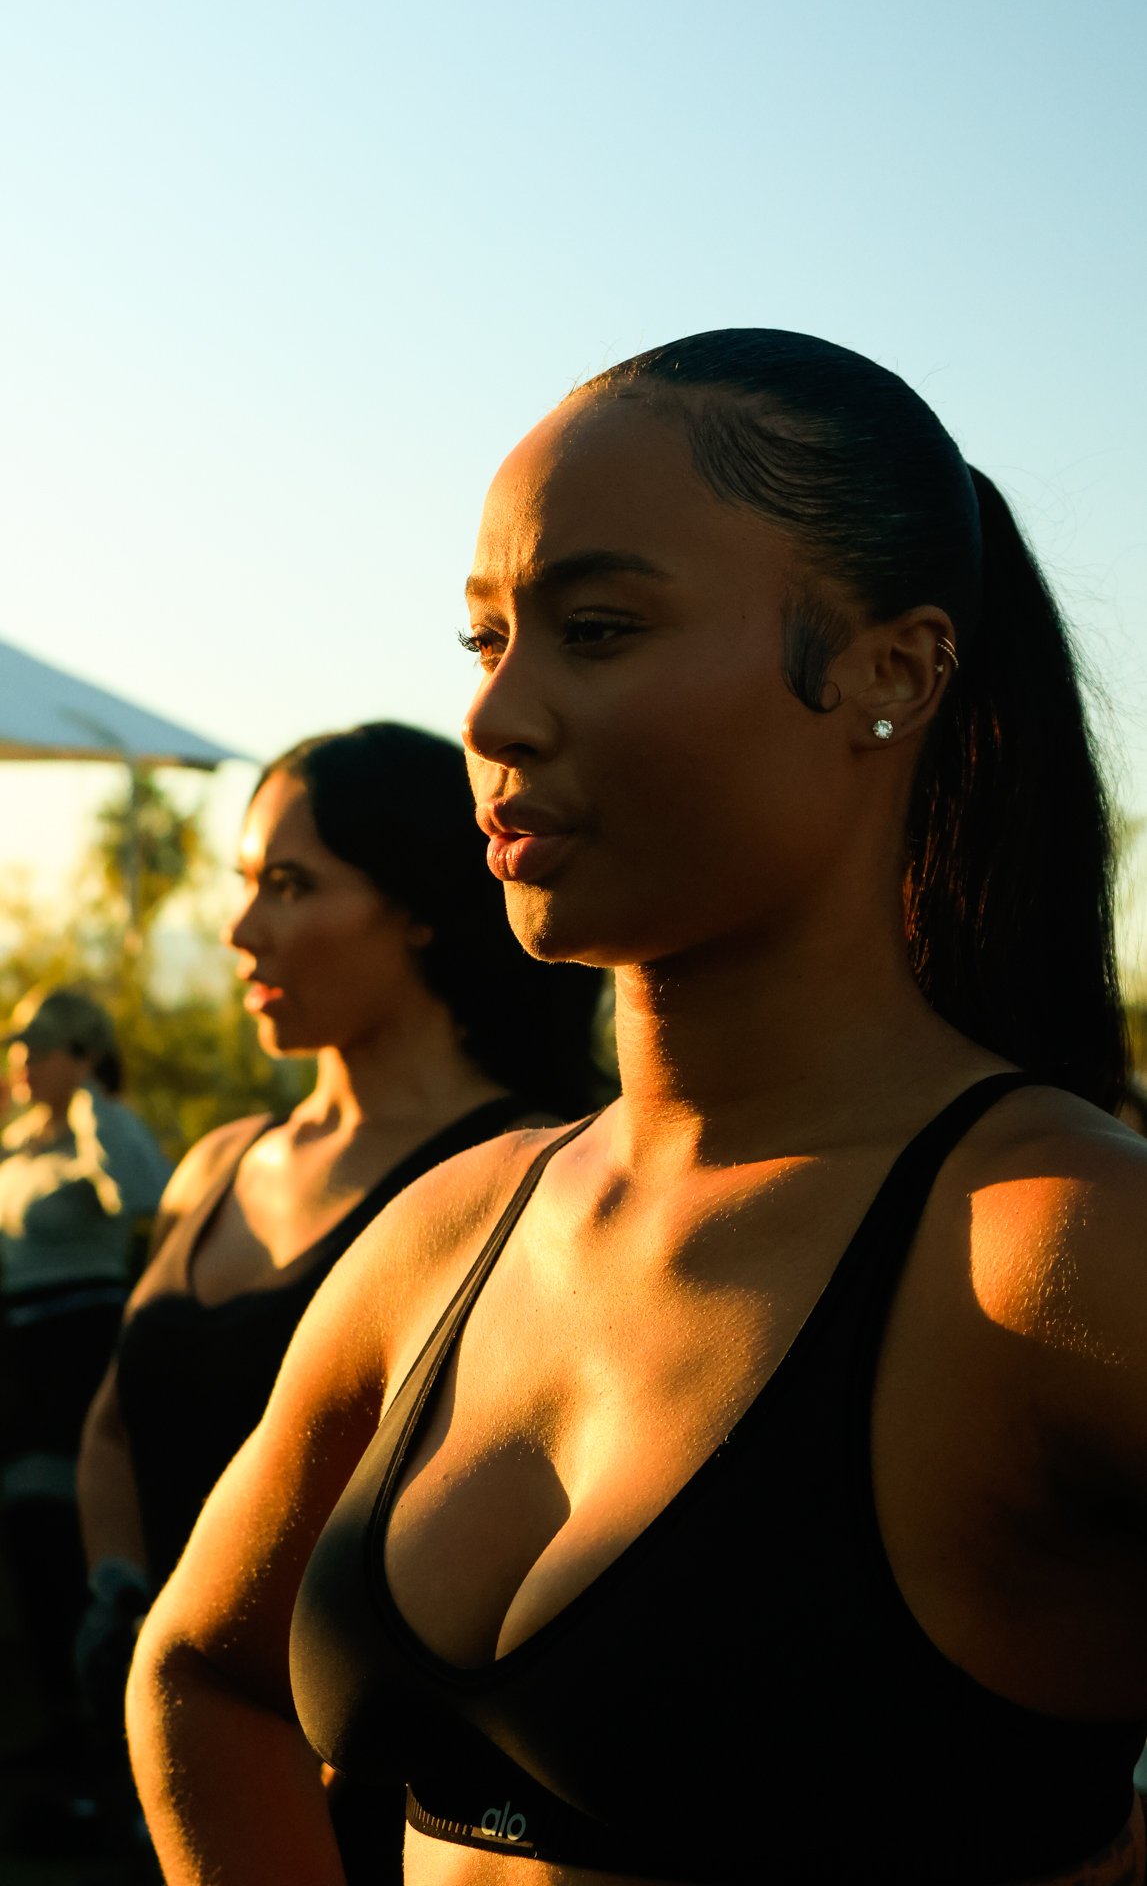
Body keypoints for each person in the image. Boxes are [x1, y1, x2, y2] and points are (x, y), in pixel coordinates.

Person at [127, 332, 1147, 1886]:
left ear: (890, 669)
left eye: (596, 629)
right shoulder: (455, 1227)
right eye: (484, 642)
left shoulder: (1049, 1254)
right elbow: (201, 1673)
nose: (494, 721)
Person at [77, 719, 603, 1872]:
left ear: (415, 902)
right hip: (160, 1744)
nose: (240, 928)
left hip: (355, 1802)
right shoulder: (217, 1161)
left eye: (291, 884)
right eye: (245, 883)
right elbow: (118, 1418)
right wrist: (119, 1592)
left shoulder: (523, 1178)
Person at [0, 986, 170, 1744]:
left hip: (75, 1353)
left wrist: (90, 1099)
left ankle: (100, 1728)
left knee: (61, 1525)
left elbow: (144, 1192)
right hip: (15, 1354)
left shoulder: (98, 1132)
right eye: (17, 1045)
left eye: (37, 1046)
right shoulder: (15, 1142)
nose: (19, 1060)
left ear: (81, 1055)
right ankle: (58, 1720)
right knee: (23, 1526)